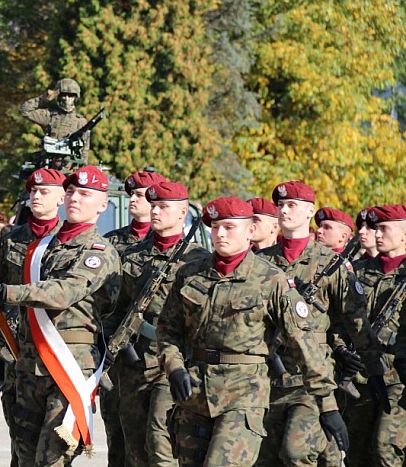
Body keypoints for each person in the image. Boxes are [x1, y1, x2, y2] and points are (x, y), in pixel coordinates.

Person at [157, 196, 346, 467]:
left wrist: (327, 404)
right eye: (215, 227)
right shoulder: (190, 274)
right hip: (195, 393)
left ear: (248, 231)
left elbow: (302, 342)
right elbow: (168, 329)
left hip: (243, 395)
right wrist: (174, 368)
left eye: (229, 227)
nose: (220, 234)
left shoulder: (271, 279)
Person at [0, 165, 121, 466]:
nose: (75, 199)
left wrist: (6, 293)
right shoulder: (41, 244)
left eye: (85, 194)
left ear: (102, 205)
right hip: (28, 364)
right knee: (23, 456)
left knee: (50, 460)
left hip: (68, 365)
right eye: (71, 192)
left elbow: (62, 292)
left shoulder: (99, 250)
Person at [255, 181, 388, 467]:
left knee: (296, 454)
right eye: (280, 206)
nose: (284, 211)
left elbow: (355, 322)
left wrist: (375, 372)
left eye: (292, 205)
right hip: (265, 378)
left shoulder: (332, 264)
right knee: (263, 458)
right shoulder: (260, 262)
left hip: (311, 379)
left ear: (308, 212)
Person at [102, 180, 209, 466]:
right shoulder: (132, 256)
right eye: (155, 206)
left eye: (164, 206)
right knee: (133, 447)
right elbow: (115, 309)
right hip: (134, 365)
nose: (156, 212)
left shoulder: (199, 260)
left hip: (174, 363)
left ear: (182, 212)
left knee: (160, 441)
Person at [0, 167, 66, 466]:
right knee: (21, 444)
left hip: (57, 354)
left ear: (61, 198)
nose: (35, 196)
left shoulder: (68, 242)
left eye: (44, 192)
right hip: (19, 355)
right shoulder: (12, 239)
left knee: (52, 449)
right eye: (33, 191)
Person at [351, 204, 406, 467]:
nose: (377, 234)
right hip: (358, 376)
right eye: (376, 228)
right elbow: (338, 321)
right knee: (355, 451)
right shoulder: (357, 271)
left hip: (397, 379)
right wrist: (340, 350)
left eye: (384, 228)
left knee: (386, 448)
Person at [19, 78, 90, 163]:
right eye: (64, 95)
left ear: (75, 98)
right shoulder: (49, 116)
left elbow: (84, 151)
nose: (66, 99)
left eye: (70, 95)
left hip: (70, 169)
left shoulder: (81, 122)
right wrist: (43, 98)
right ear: (58, 97)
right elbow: (25, 110)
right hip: (49, 167)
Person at [103, 170, 166, 255]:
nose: (132, 199)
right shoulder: (111, 239)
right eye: (132, 194)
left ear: (153, 200)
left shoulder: (164, 240)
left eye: (139, 195)